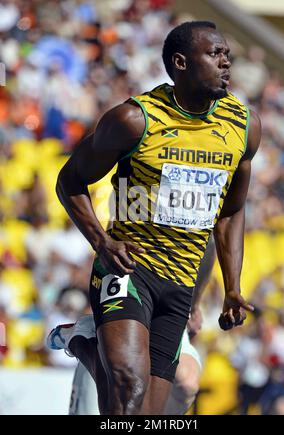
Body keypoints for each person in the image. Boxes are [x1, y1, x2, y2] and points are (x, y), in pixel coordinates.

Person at [50, 20, 261, 415]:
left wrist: (233, 287)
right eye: (215, 54)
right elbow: (70, 181)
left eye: (226, 54)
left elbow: (230, 212)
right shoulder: (135, 119)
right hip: (130, 269)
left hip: (180, 281)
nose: (226, 62)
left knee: (143, 414)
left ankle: (81, 342)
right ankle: (92, 345)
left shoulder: (243, 127)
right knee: (128, 385)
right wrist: (102, 241)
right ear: (180, 63)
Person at [49, 237, 216, 415]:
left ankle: (84, 338)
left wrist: (196, 302)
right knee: (126, 386)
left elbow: (209, 243)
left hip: (171, 294)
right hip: (132, 279)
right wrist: (102, 242)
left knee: (186, 383)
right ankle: (84, 341)